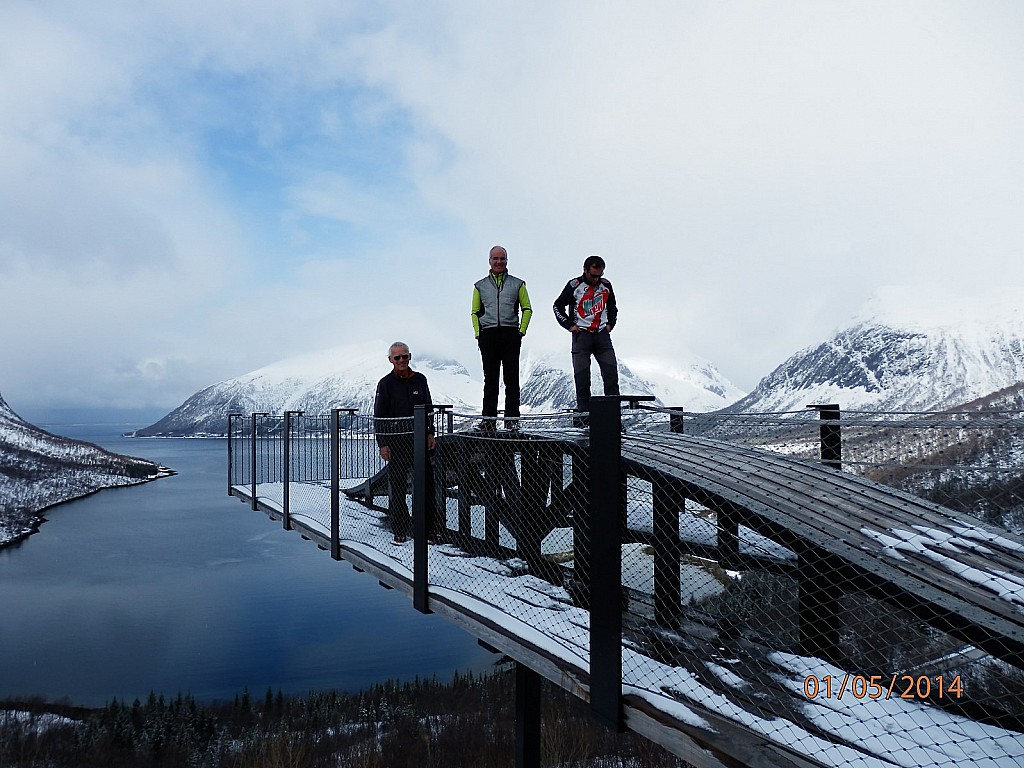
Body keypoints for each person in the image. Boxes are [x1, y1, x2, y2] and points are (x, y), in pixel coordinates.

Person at [373, 341, 435, 543]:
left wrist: (430, 433)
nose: (401, 360)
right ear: (390, 360)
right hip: (396, 443)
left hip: (419, 441)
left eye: (404, 356)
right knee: (398, 488)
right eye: (397, 357)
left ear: (410, 357)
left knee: (426, 486)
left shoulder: (420, 380)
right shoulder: (385, 384)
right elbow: (379, 416)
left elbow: (428, 408)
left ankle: (427, 529)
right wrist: (382, 443)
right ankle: (400, 529)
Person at [471, 245, 533, 430]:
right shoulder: (479, 286)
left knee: (511, 377)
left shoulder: (518, 284)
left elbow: (527, 308)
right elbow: (474, 312)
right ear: (489, 261)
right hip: (488, 334)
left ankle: (512, 420)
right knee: (490, 378)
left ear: (507, 261)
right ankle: (488, 421)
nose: (499, 262)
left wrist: (521, 331)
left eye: (502, 258)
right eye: (495, 258)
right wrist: (478, 333)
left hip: (510, 334)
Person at [552, 255, 619, 420]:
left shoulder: (606, 285)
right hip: (581, 336)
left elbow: (613, 307)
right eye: (593, 275)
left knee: (611, 377)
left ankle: (613, 420)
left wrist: (611, 324)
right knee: (582, 380)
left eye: (599, 275)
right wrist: (569, 325)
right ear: (585, 270)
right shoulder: (574, 285)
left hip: (602, 335)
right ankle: (585, 420)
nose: (596, 279)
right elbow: (557, 306)